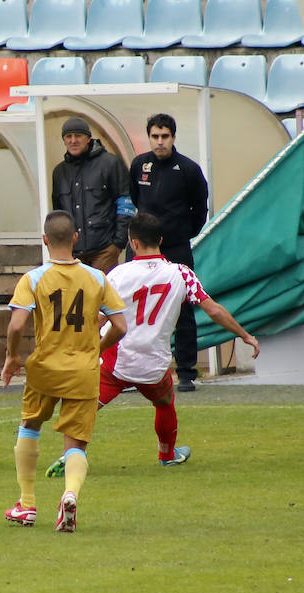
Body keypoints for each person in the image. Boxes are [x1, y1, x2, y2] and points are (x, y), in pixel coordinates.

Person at [45, 213, 259, 478]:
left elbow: (98, 318)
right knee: (165, 402)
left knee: (83, 408)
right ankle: (167, 455)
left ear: (133, 243)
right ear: (160, 240)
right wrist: (244, 335)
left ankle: (71, 456)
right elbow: (213, 309)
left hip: (116, 363)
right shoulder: (182, 273)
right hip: (154, 366)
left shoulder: (118, 274)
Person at [1, 210, 127, 532]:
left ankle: (27, 504)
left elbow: (16, 325)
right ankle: (70, 494)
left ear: (45, 240)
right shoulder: (97, 278)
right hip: (83, 370)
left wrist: (12, 356)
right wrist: (96, 349)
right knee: (76, 443)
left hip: (44, 368)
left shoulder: (32, 279)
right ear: (75, 238)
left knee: (30, 426)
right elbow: (120, 326)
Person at [129, 113, 210, 392]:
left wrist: (182, 233)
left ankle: (186, 372)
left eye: (165, 136)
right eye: (155, 136)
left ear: (173, 137)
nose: (160, 141)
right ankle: (133, 371)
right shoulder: (139, 165)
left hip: (175, 248)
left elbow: (200, 209)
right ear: (149, 137)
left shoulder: (188, 169)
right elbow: (136, 198)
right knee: (134, 306)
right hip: (143, 249)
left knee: (183, 307)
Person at [51, 117, 135, 274]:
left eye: (78, 136)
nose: (73, 141)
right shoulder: (59, 172)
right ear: (64, 140)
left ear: (88, 138)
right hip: (72, 254)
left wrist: (117, 243)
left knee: (102, 290)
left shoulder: (110, 163)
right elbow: (58, 213)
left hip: (104, 251)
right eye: (68, 137)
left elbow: (126, 202)